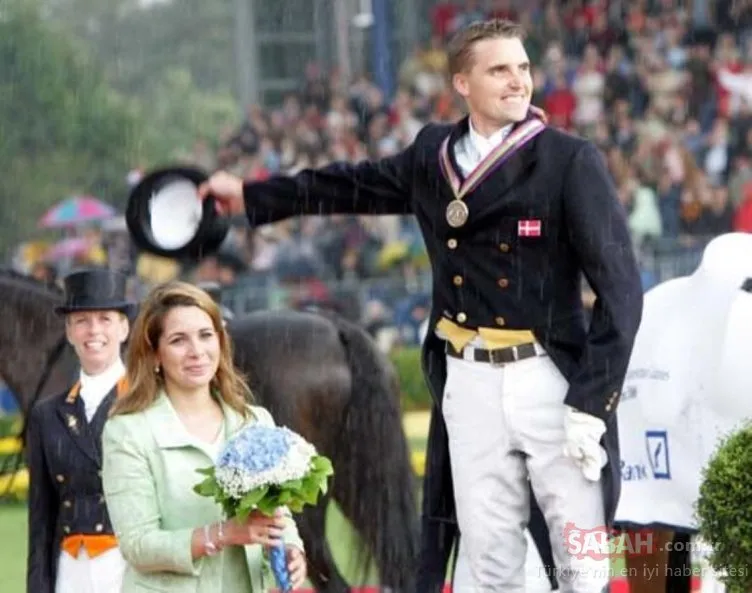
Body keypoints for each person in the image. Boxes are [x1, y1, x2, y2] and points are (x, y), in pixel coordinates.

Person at [197, 18, 643, 593]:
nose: (518, 81)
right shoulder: (434, 153)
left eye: (524, 67)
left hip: (548, 380)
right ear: (462, 82)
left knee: (580, 554)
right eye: (500, 69)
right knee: (488, 556)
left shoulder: (567, 160)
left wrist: (591, 400)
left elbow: (621, 293)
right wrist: (254, 194)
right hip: (469, 379)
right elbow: (350, 187)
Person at [100, 280, 307, 593]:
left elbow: (279, 514)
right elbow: (138, 545)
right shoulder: (127, 432)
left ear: (220, 342)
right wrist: (224, 534)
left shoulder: (254, 421)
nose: (196, 351)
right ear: (154, 354)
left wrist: (292, 549)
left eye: (206, 335)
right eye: (178, 340)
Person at [26, 268, 134, 593]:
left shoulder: (147, 401)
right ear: (69, 332)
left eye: (105, 319)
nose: (93, 330)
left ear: (124, 327)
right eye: (82, 321)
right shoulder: (47, 414)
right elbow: (41, 520)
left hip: (131, 566)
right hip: (70, 570)